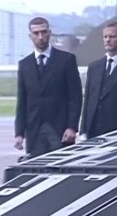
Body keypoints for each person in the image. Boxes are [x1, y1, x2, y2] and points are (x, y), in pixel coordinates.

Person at [14, 17, 82, 157]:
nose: (40, 37)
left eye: (44, 32)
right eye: (36, 33)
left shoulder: (66, 60)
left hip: (60, 130)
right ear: (30, 36)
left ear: (49, 33)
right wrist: (19, 133)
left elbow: (75, 97)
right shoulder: (24, 65)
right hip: (35, 130)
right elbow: (22, 101)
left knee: (61, 169)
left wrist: (72, 127)